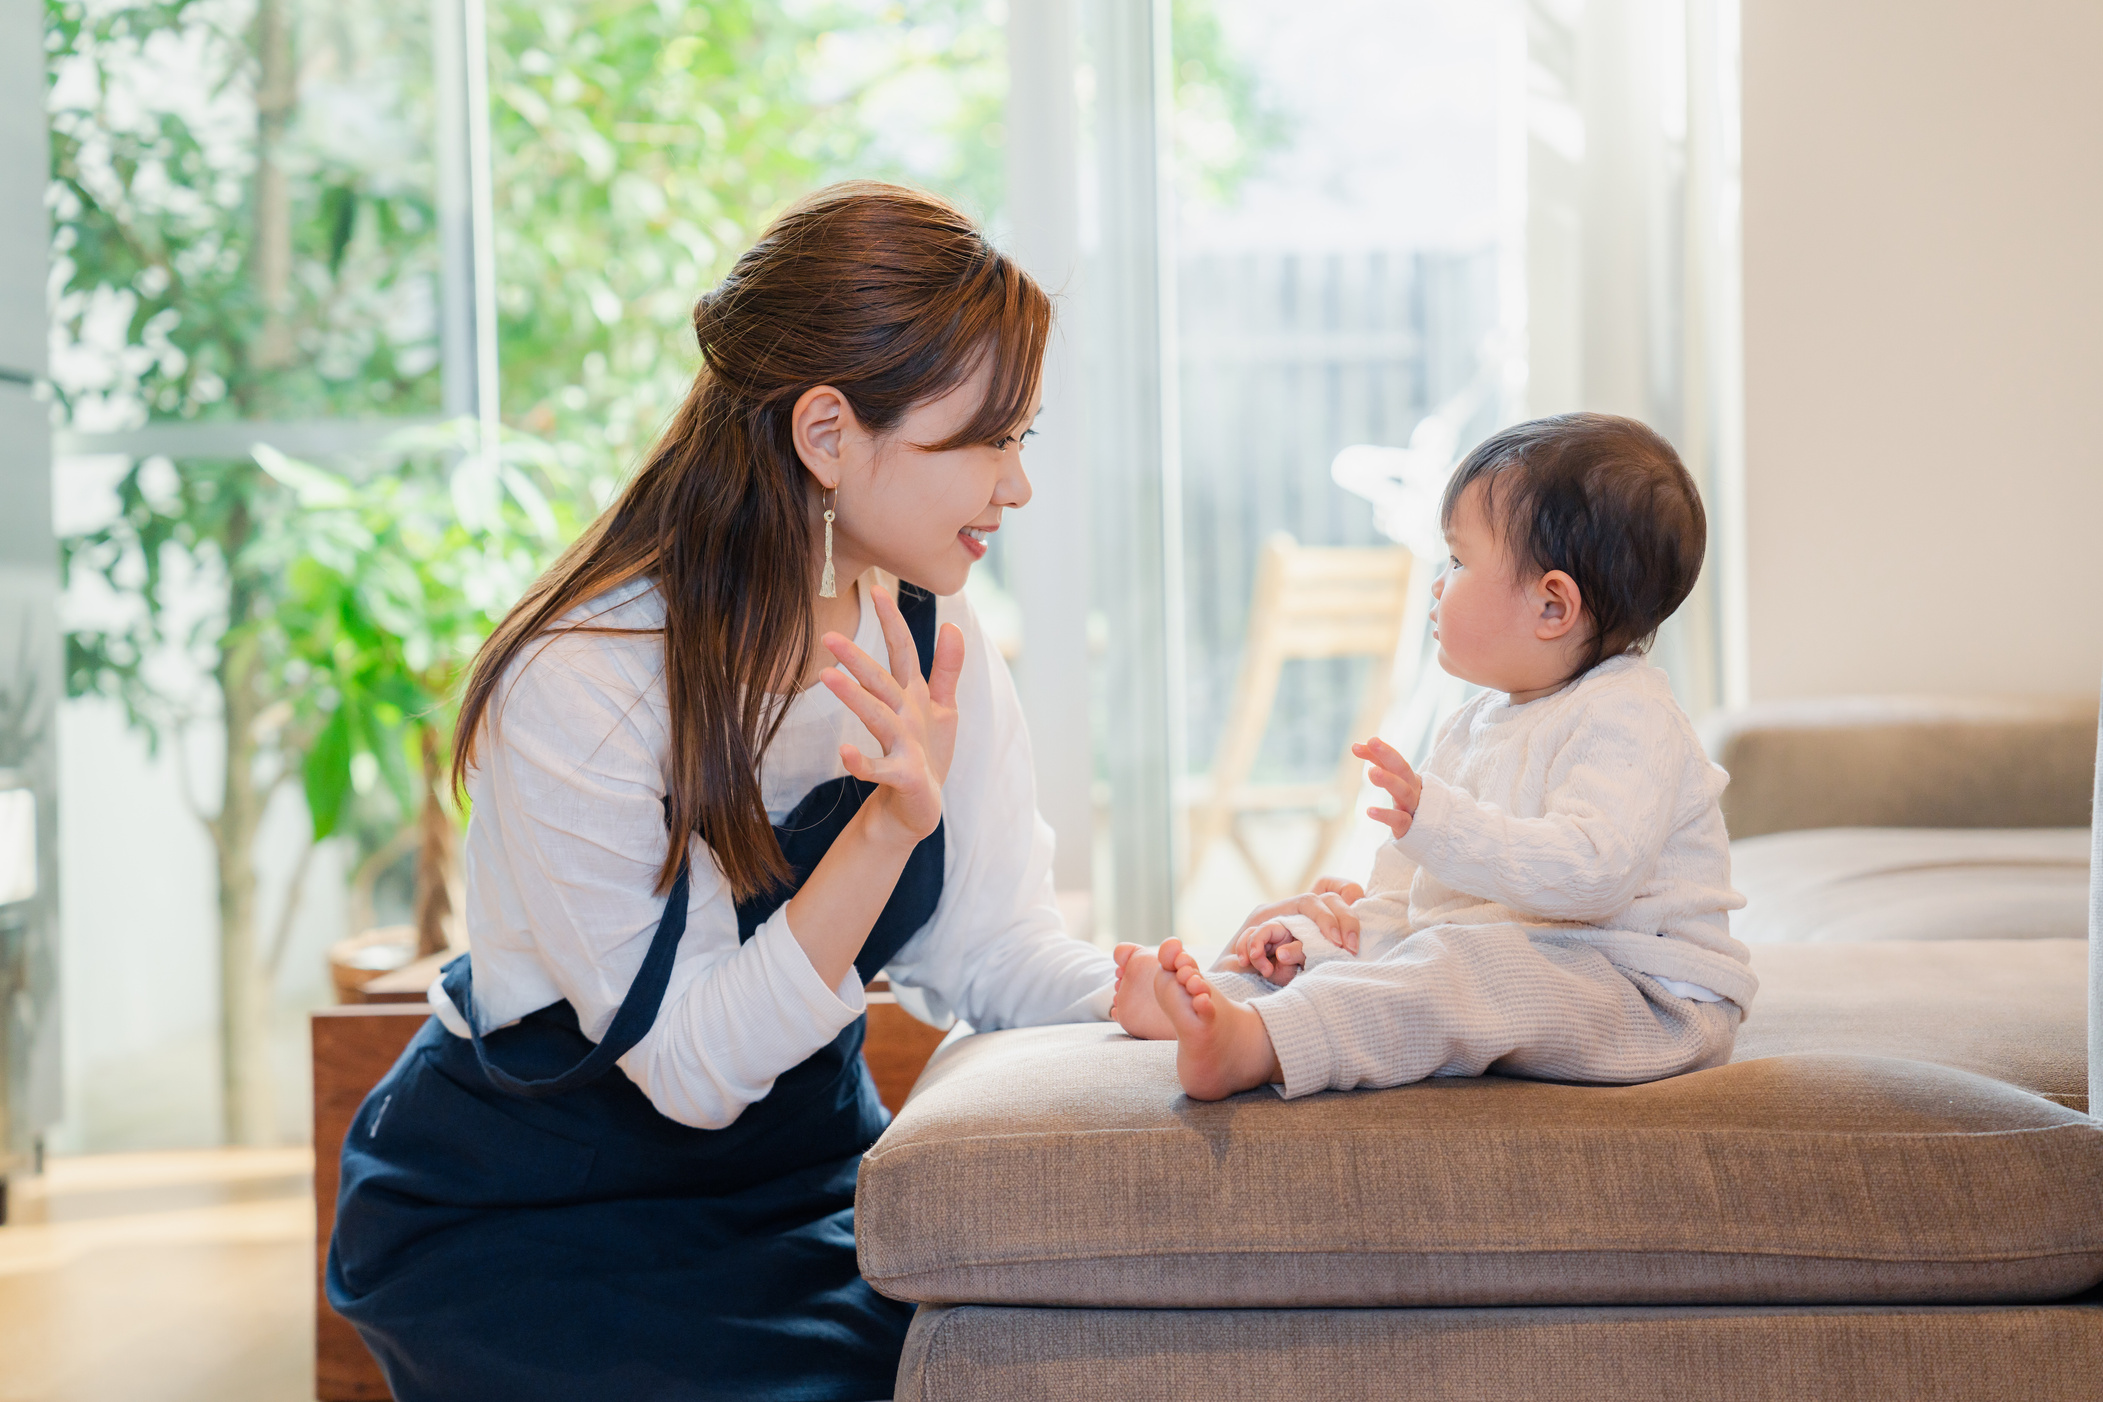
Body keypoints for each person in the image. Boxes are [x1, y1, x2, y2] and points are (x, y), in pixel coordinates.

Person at [326, 182, 1116, 1402]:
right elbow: (690, 1070)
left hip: (811, 1188)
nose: (1015, 488)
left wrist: (1176, 992)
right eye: (987, 440)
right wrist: (885, 827)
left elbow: (998, 955)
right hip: (535, 1219)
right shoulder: (589, 681)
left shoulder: (934, 644)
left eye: (1026, 440)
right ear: (827, 434)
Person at [1111, 412, 1757, 1102]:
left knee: (1455, 967)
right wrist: (1335, 939)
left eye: (1456, 560)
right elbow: (1416, 906)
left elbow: (1589, 875)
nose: (1436, 584)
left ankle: (1259, 1047)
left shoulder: (1630, 716)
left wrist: (1439, 823)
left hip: (1641, 992)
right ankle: (1221, 999)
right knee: (1385, 946)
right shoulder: (1472, 726)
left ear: (1551, 606)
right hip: (1531, 959)